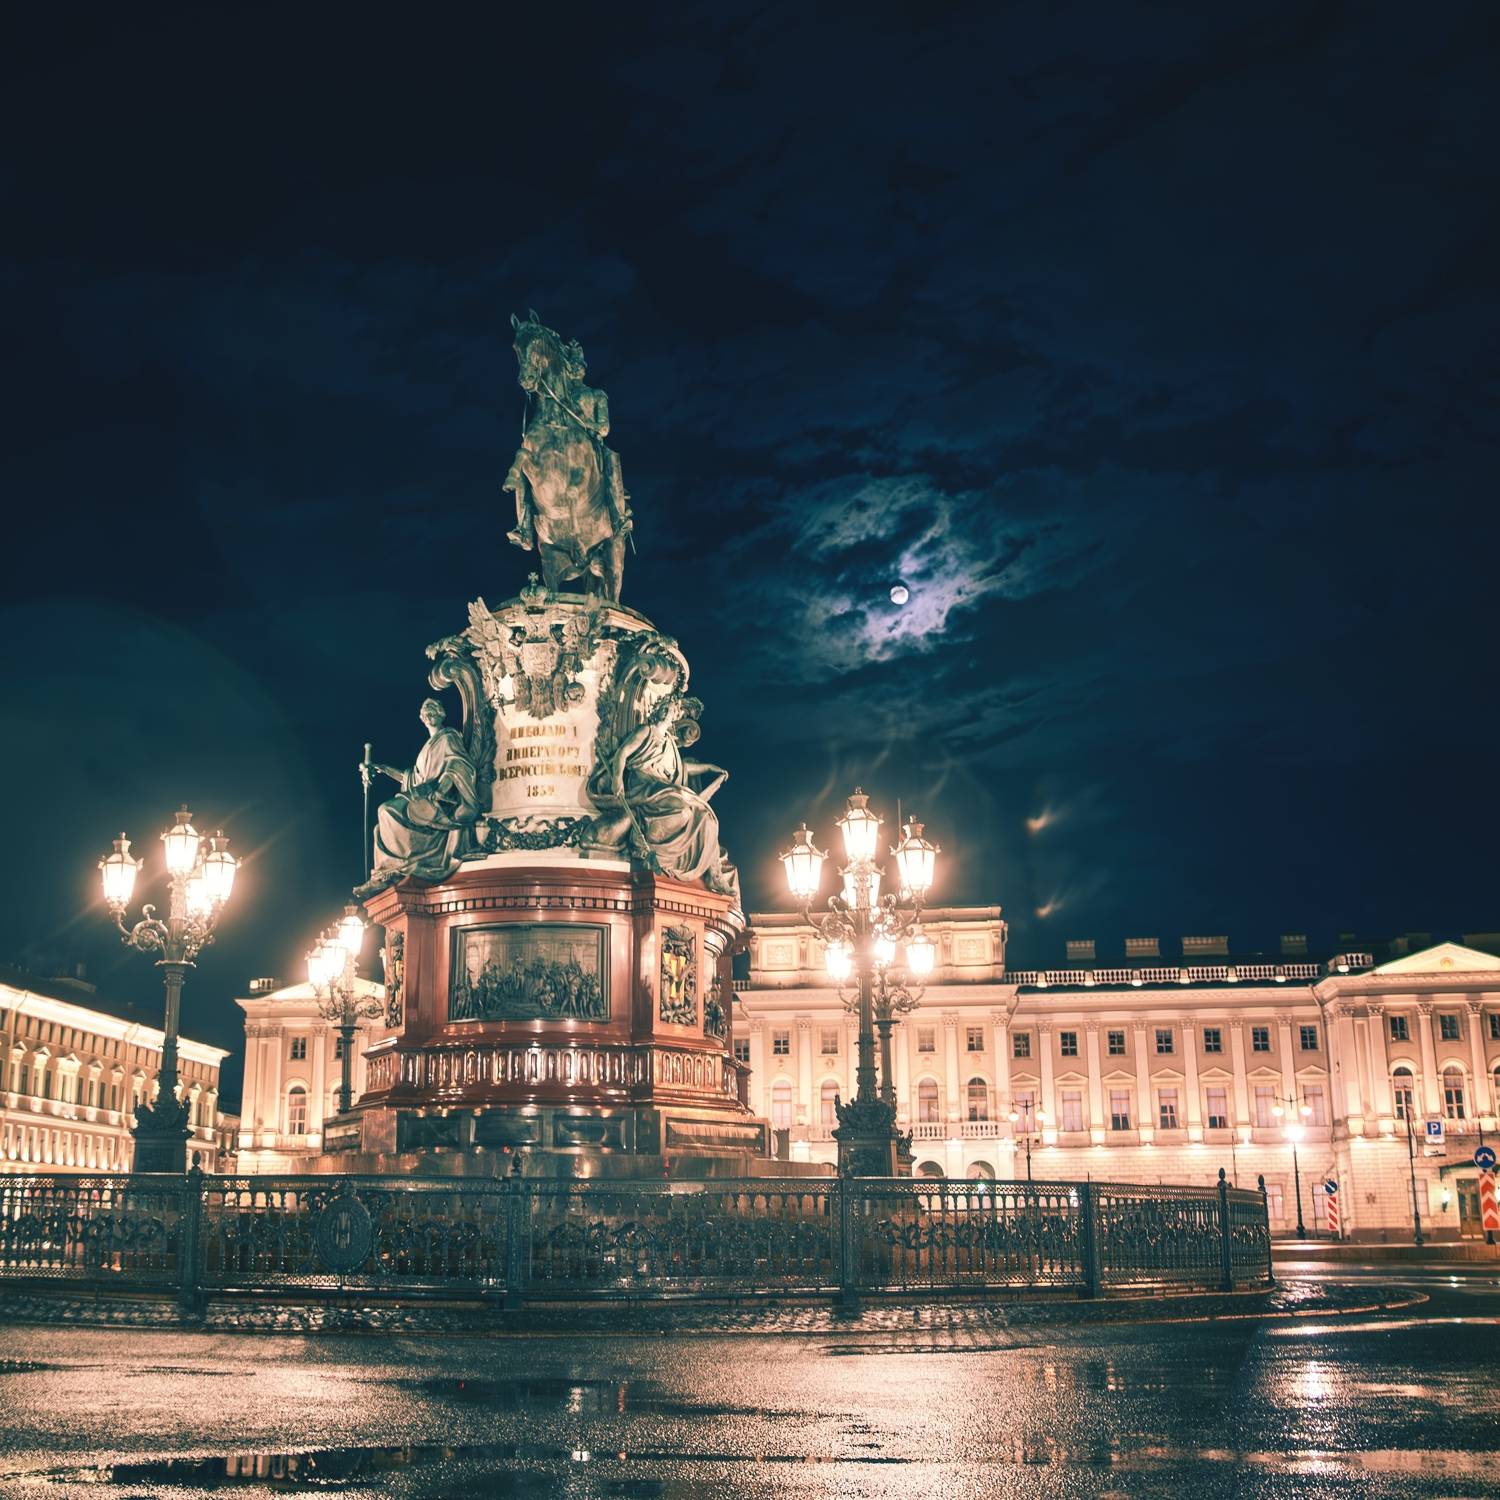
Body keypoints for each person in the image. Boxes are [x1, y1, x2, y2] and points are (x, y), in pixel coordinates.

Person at [364, 698, 479, 884]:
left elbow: (458, 764)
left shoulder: (448, 737)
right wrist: (383, 769)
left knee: (386, 811)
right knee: (381, 822)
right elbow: (412, 778)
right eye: (425, 712)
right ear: (421, 718)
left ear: (441, 714)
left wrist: (441, 790)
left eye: (432, 710)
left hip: (441, 800)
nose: (429, 715)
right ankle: (394, 868)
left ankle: (400, 865)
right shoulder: (428, 747)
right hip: (422, 796)